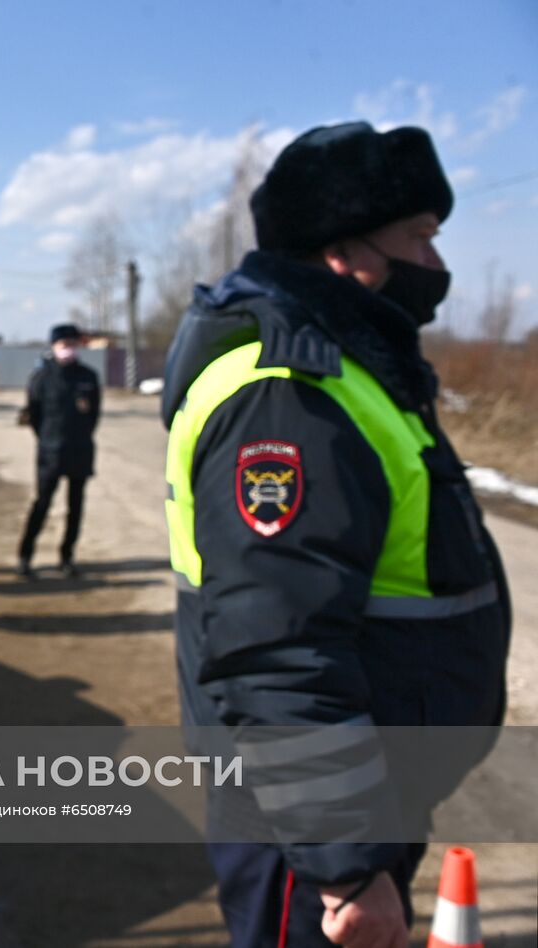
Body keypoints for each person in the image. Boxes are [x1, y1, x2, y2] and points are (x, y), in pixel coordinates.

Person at [161, 122, 510, 948]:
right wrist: (346, 867)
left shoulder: (353, 370)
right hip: (307, 824)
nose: (435, 263)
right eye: (418, 238)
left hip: (356, 793)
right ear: (343, 252)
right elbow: (276, 649)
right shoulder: (290, 394)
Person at [16, 323, 100, 579]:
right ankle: (25, 556)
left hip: (80, 450)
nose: (68, 349)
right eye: (64, 345)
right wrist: (48, 439)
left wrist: (81, 436)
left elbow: (93, 415)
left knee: (76, 507)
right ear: (53, 347)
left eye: (73, 344)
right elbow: (34, 416)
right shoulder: (41, 378)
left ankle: (66, 557)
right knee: (42, 503)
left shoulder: (88, 376)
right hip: (50, 452)